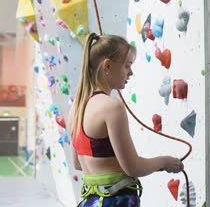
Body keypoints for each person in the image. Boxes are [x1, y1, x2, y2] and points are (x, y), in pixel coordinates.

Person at [69, 33, 184, 207]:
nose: (130, 72)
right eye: (127, 66)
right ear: (107, 66)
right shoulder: (112, 108)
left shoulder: (76, 108)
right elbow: (133, 167)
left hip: (90, 202)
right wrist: (165, 162)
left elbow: (77, 163)